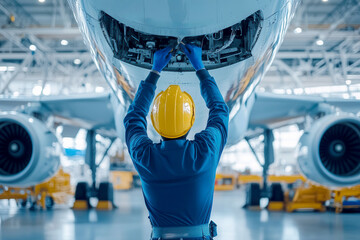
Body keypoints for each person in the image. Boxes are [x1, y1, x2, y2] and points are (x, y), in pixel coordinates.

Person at [123, 43, 229, 240]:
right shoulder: (205, 151)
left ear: (155, 123)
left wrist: (155, 71)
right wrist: (199, 66)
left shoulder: (144, 156)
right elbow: (220, 111)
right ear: (190, 122)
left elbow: (133, 119)